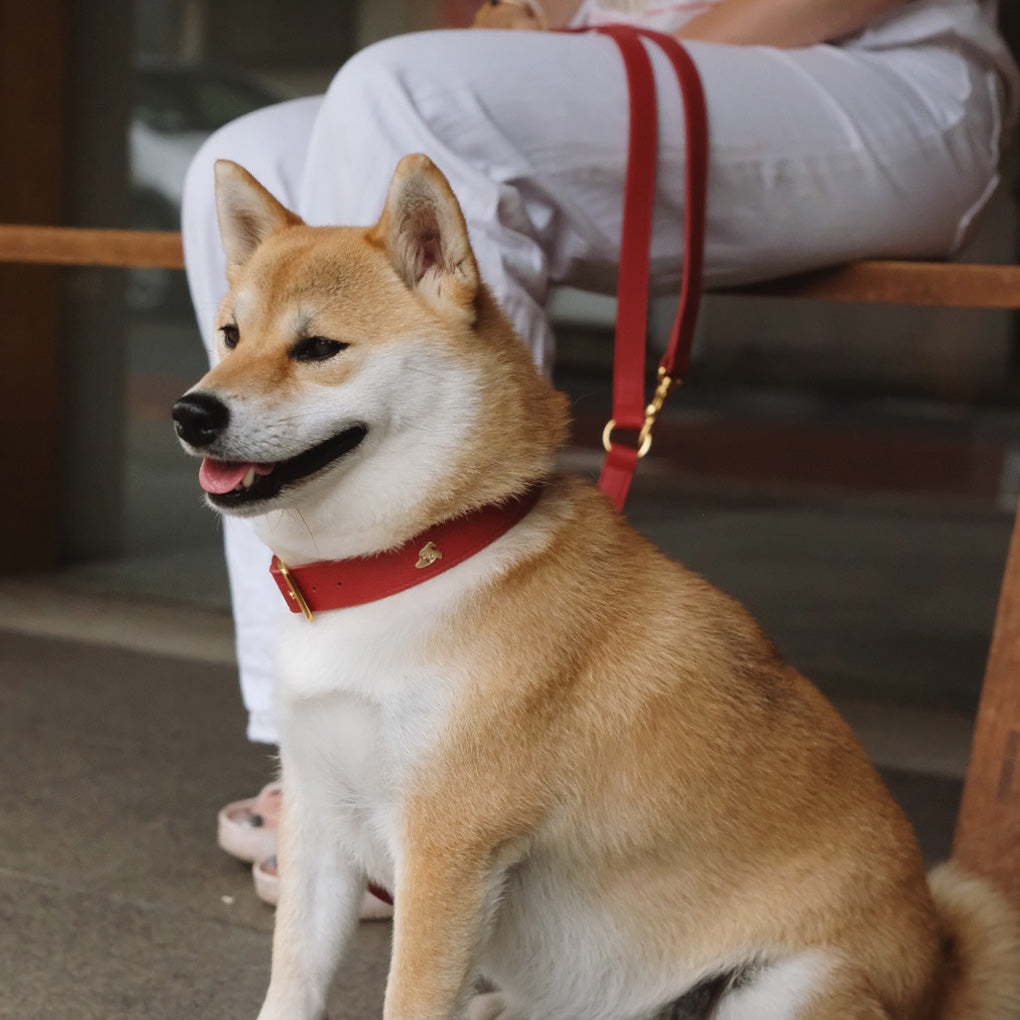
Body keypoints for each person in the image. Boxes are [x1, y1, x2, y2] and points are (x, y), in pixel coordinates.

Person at [182, 0, 1019, 909]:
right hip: (618, 61)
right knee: (246, 151)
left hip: (868, 75)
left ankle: (455, 752)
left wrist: (622, 56)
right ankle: (322, 763)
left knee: (409, 92)